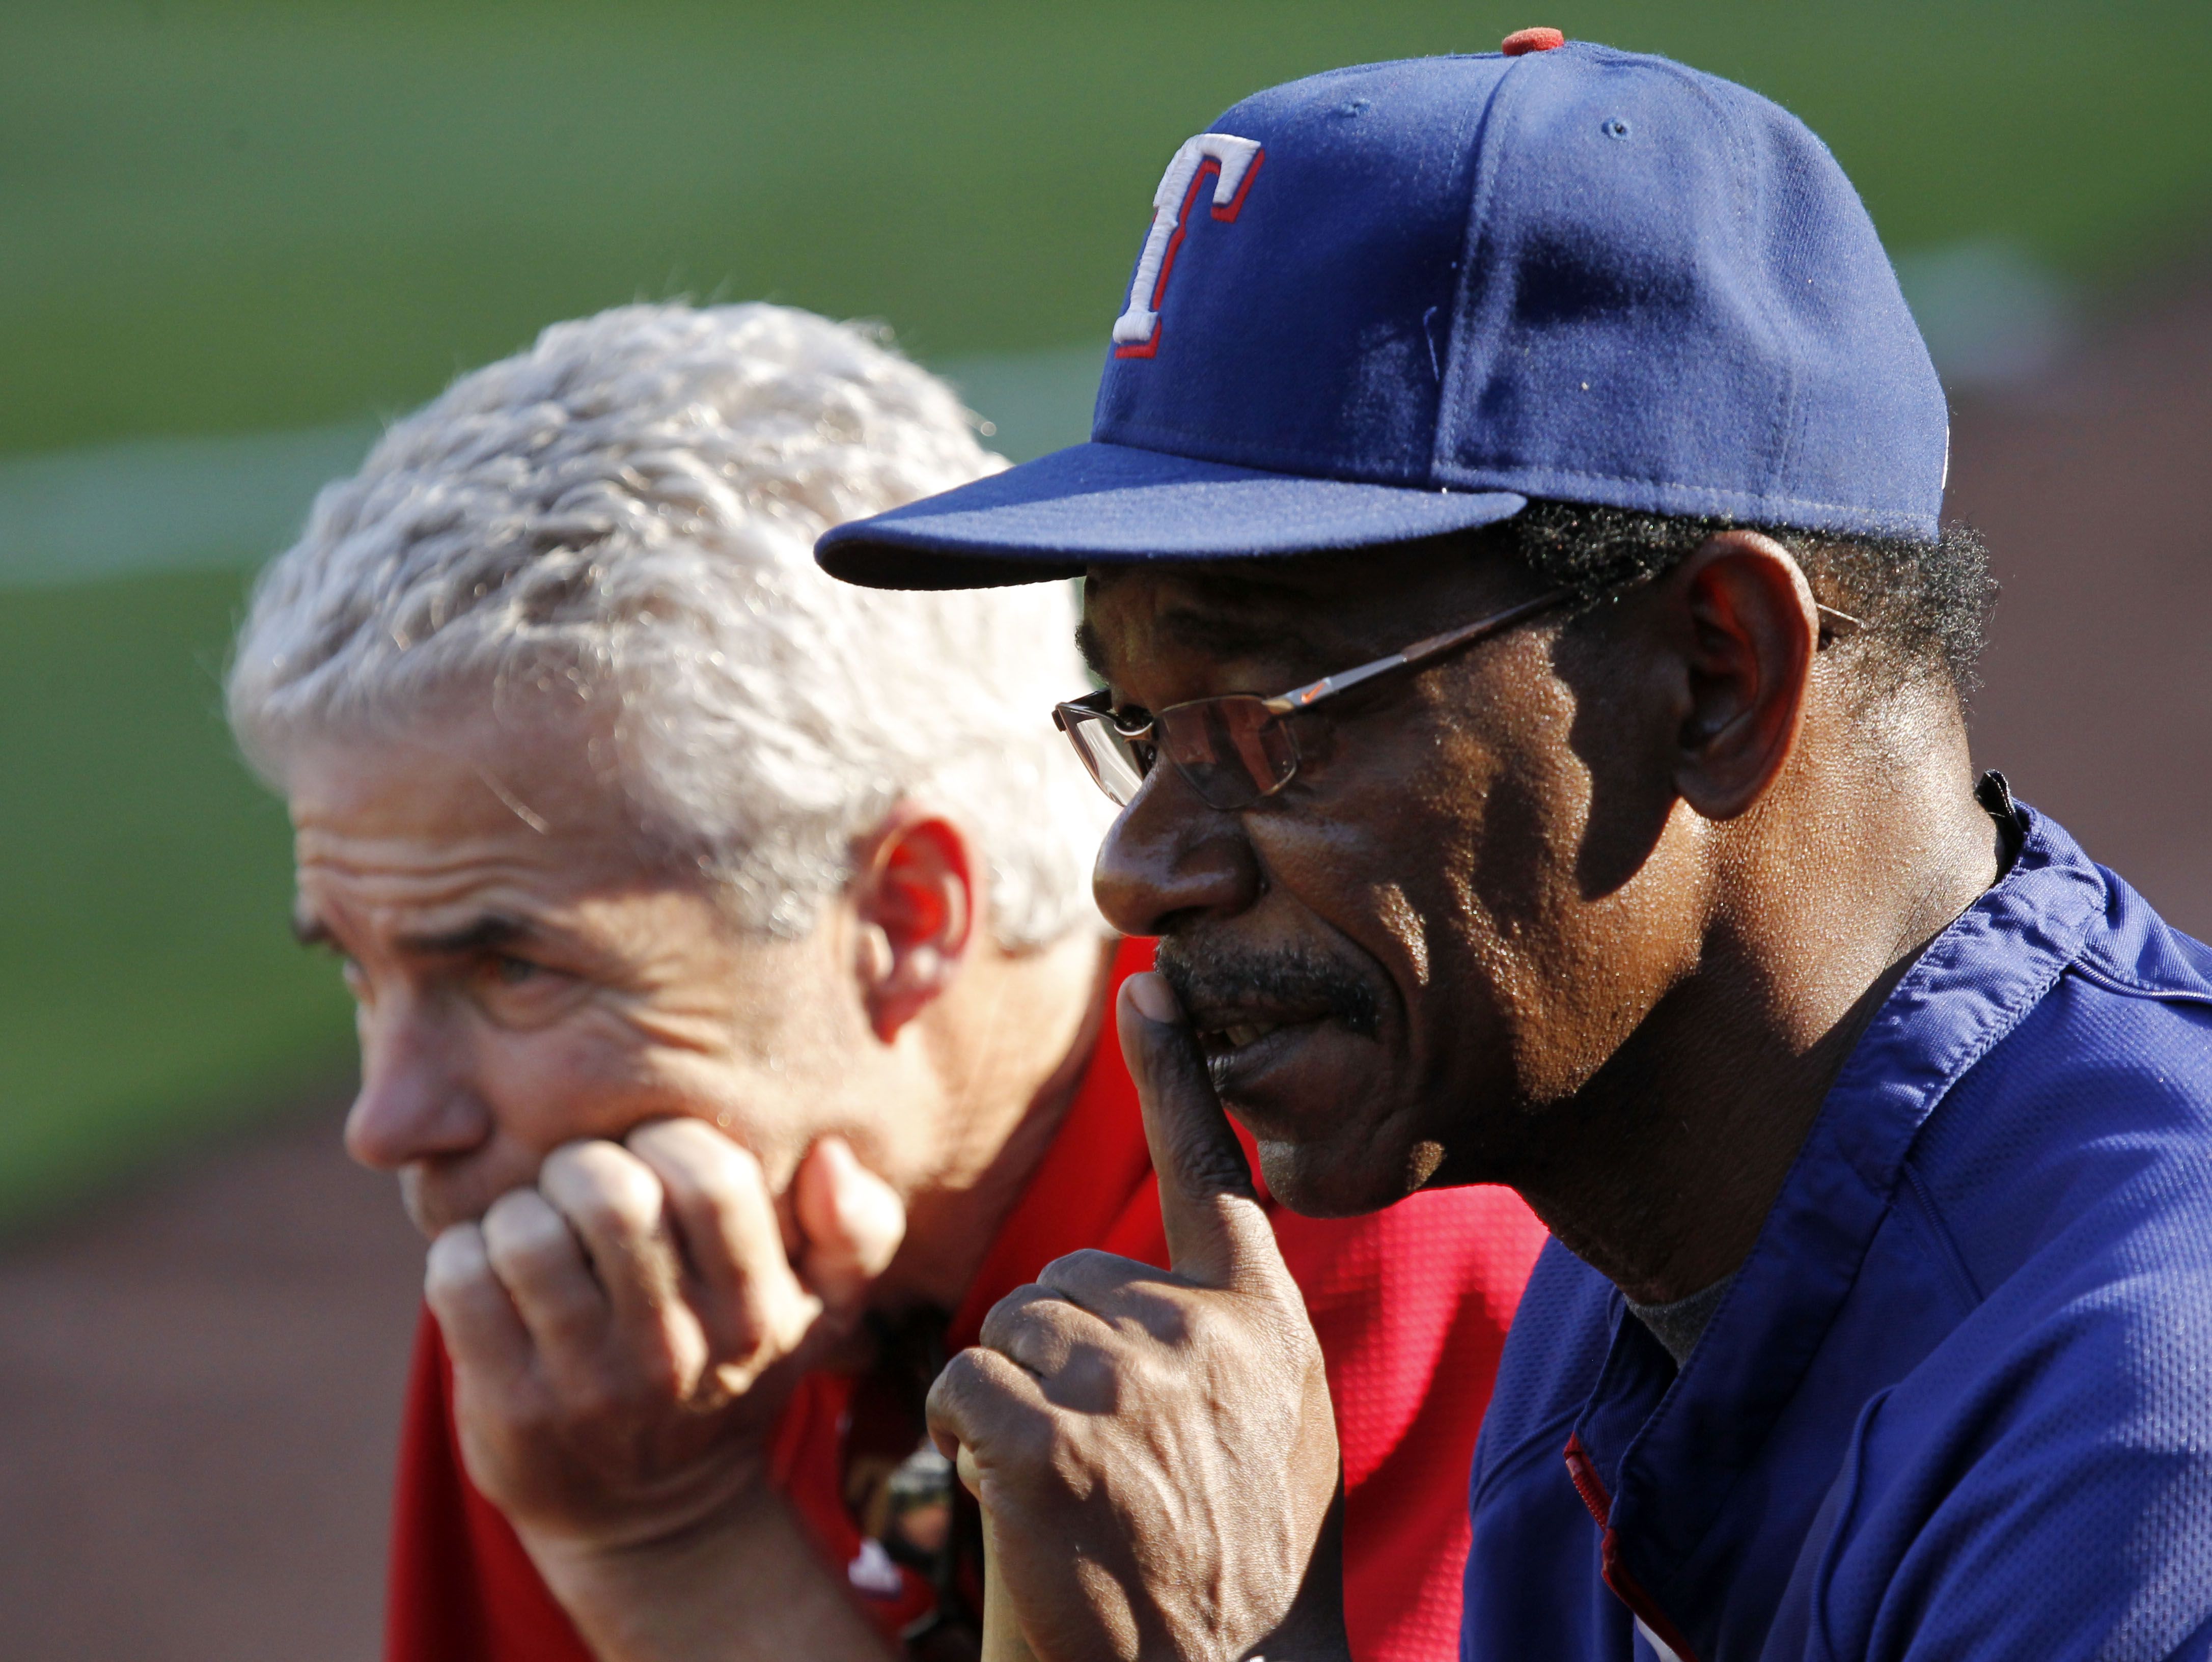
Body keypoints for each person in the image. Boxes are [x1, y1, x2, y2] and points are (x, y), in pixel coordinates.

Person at [815, 34, 2212, 1662]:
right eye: (1138, 727)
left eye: (1271, 716)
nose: (1142, 871)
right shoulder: (1624, 1269)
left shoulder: (2144, 1422)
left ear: (1717, 675)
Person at [224, 301, 1547, 1662]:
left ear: (906, 920)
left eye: (508, 966)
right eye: (361, 971)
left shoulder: (1333, 1230)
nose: (390, 1122)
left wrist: (668, 1550)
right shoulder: (594, 1319)